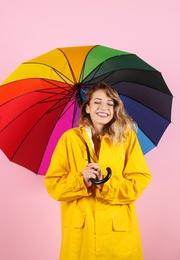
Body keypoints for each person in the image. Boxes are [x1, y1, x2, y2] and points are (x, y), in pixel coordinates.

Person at [44, 82, 151, 260]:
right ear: (87, 108)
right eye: (97, 102)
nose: (104, 108)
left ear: (115, 108)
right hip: (81, 235)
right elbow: (54, 185)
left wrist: (105, 184)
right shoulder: (70, 139)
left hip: (117, 234)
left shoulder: (126, 138)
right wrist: (81, 180)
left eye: (110, 103)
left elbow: (140, 179)